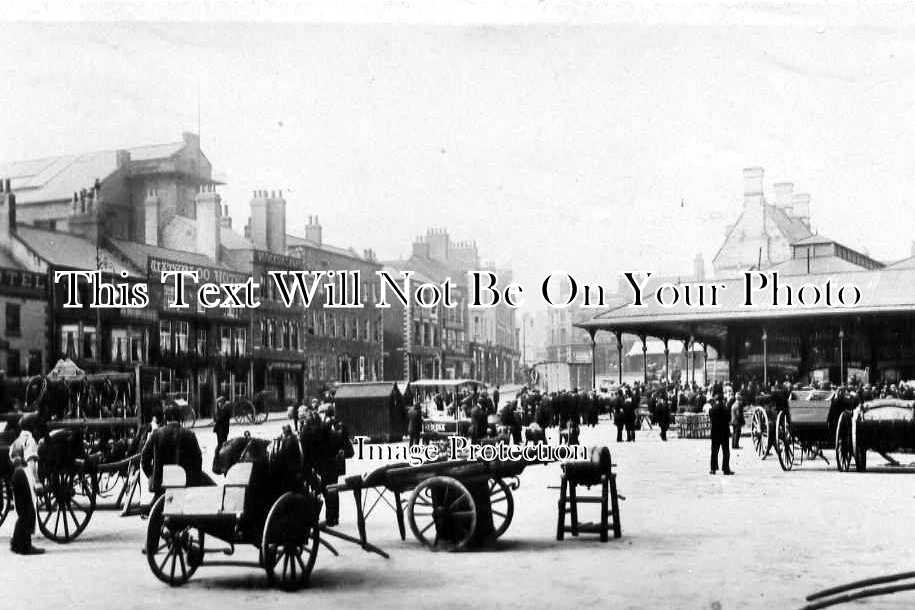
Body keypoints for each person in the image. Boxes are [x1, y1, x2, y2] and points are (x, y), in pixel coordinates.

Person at [141, 403, 213, 503]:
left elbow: (144, 460)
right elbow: (198, 460)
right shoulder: (189, 434)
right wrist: (192, 478)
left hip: (161, 483)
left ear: (165, 417)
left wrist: (152, 475)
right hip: (185, 482)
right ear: (180, 417)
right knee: (211, 486)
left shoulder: (156, 434)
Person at [9, 413, 43, 554]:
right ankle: (25, 546)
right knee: (29, 511)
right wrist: (37, 481)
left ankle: (16, 543)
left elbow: (11, 457)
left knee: (22, 511)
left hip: (16, 474)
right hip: (25, 474)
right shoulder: (30, 440)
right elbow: (31, 462)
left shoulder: (16, 441)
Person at [709, 392, 733, 475]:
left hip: (715, 433)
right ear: (722, 400)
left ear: (716, 400)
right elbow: (729, 419)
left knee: (714, 452)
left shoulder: (712, 409)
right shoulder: (726, 409)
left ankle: (713, 469)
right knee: (726, 451)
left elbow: (711, 418)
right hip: (724, 433)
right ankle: (726, 469)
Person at [212, 396, 232, 467]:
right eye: (218, 403)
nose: (219, 404)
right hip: (221, 430)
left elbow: (219, 419)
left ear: (222, 403)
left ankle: (220, 460)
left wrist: (216, 421)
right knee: (221, 444)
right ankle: (220, 460)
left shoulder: (224, 410)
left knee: (221, 445)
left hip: (222, 430)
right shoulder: (223, 409)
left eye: (220, 403)